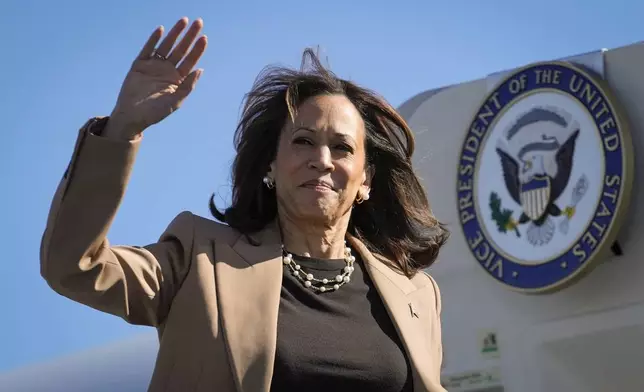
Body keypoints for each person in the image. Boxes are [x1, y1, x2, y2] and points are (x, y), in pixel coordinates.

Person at [40, 17, 449, 392]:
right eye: (303, 140)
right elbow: (75, 266)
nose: (322, 160)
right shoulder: (200, 259)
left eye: (341, 148)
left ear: (365, 181)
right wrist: (121, 129)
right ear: (271, 165)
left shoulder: (415, 295)